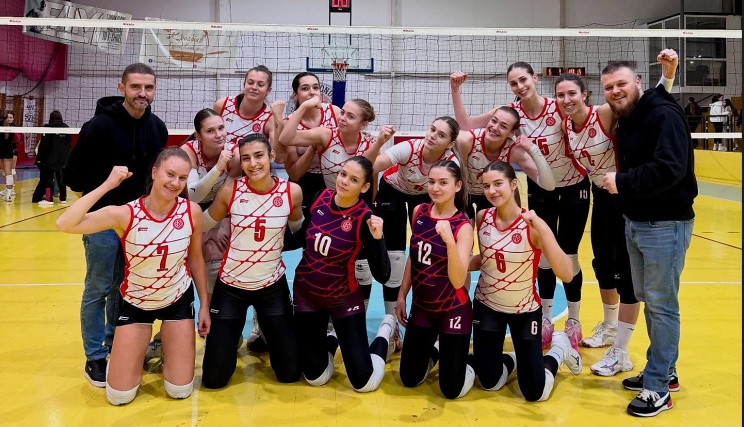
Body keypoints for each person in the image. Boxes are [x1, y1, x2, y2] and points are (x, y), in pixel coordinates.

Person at [555, 50, 678, 379]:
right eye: (560, 95)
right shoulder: (565, 124)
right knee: (602, 265)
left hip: (624, 194)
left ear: (585, 94)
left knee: (627, 274)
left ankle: (621, 351)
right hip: (601, 195)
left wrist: (667, 75)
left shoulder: (605, 113)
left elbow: (646, 100)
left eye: (572, 93)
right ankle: (610, 327)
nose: (567, 100)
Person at [55, 148, 211, 405]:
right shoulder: (126, 214)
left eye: (182, 178)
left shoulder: (191, 211)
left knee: (179, 391)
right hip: (137, 303)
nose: (175, 183)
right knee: (119, 396)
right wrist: (107, 185)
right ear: (154, 172)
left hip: (177, 299)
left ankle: (164, 347)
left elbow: (195, 259)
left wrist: (204, 305)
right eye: (170, 174)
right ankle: (136, 352)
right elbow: (65, 223)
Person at [451, 64, 589, 351]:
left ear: (535, 78)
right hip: (541, 186)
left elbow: (585, 121)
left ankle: (574, 320)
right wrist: (456, 90)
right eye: (513, 83)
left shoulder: (559, 105)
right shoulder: (509, 113)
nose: (520, 86)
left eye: (523, 79)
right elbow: (466, 125)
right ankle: (546, 318)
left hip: (573, 183)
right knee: (542, 256)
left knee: (569, 255)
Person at [601, 59, 697, 417]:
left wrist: (622, 182)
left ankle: (658, 388)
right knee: (650, 300)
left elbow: (671, 167)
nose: (615, 92)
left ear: (638, 82)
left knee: (662, 305)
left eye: (621, 84)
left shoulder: (662, 114)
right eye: (609, 87)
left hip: (665, 224)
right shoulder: (634, 113)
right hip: (638, 222)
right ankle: (664, 370)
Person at [64, 62, 168, 387]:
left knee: (125, 286)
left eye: (148, 87)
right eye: (135, 86)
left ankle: (114, 344)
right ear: (121, 87)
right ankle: (95, 356)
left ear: (154, 90)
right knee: (99, 286)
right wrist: (100, 200)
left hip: (137, 223)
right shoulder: (98, 126)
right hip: (103, 221)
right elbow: (73, 177)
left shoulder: (157, 128)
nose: (142, 93)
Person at [470, 161, 582, 402]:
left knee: (534, 393)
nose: (491, 191)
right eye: (486, 186)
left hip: (524, 311)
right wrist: (448, 262)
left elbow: (566, 273)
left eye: (498, 184)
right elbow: (486, 258)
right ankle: (516, 358)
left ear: (513, 185)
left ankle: (559, 350)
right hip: (487, 306)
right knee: (489, 383)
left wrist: (543, 227)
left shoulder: (531, 225)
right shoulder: (482, 217)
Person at [200, 133, 303, 389]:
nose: (253, 163)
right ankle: (234, 338)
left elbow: (298, 230)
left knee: (289, 373)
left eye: (259, 156)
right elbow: (202, 224)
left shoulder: (291, 192)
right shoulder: (230, 191)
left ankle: (266, 329)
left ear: (271, 156)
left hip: (272, 286)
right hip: (231, 286)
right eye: (246, 158)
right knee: (214, 379)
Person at [294, 156, 395, 392]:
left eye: (354, 179)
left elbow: (383, 275)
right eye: (342, 174)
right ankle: (332, 338)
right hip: (307, 295)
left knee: (364, 383)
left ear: (365, 187)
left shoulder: (366, 218)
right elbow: (301, 237)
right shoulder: (320, 197)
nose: (344, 181)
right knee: (315, 378)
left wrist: (378, 239)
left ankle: (386, 331)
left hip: (343, 299)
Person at [371, 116, 460, 353]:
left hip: (425, 196)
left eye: (441, 135)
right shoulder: (409, 148)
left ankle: (431, 315)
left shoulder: (450, 164)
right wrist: (377, 143)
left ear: (450, 144)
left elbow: (455, 196)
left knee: (426, 256)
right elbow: (372, 166)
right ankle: (392, 322)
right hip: (393, 190)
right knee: (395, 257)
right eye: (432, 129)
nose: (433, 136)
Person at [395, 160, 475, 399]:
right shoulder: (419, 212)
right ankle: (440, 352)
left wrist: (449, 241)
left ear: (457, 186)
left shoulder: (463, 226)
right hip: (423, 308)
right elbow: (414, 257)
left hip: (453, 310)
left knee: (451, 390)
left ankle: (474, 363)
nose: (435, 188)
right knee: (409, 378)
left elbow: (459, 280)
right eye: (431, 182)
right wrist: (402, 295)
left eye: (443, 183)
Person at [453, 105, 555, 218]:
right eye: (494, 121)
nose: (495, 127)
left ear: (511, 133)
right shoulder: (466, 140)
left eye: (503, 126)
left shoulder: (514, 151)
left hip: (495, 195)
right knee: (464, 226)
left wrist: (533, 149)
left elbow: (549, 185)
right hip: (465, 193)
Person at [180, 108, 240, 294]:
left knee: (216, 255)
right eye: (210, 131)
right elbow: (193, 196)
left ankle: (215, 305)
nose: (219, 135)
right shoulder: (188, 151)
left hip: (221, 211)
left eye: (221, 128)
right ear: (198, 135)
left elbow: (227, 197)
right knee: (192, 261)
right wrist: (218, 167)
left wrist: (218, 225)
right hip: (190, 209)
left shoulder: (234, 154)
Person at [213, 65, 283, 162]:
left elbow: (278, 158)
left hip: (250, 167)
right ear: (244, 85)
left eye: (260, 85)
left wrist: (279, 120)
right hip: (219, 163)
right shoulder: (222, 105)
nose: (254, 87)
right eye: (250, 83)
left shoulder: (270, 117)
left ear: (268, 90)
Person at [33, 110, 71, 206]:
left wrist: (39, 158)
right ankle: (63, 199)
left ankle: (49, 199)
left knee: (48, 179)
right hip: (63, 159)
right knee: (61, 178)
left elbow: (44, 145)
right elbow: (68, 144)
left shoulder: (47, 127)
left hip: (49, 159)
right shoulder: (66, 128)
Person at [0, 111, 19, 201]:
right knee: (8, 172)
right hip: (8, 151)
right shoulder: (13, 127)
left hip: (1, 150)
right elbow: (17, 139)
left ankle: (8, 192)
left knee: (4, 172)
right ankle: (9, 194)